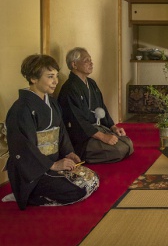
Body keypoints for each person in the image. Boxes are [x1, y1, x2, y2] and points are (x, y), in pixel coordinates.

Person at [3, 54, 99, 210]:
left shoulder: (52, 103)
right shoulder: (21, 109)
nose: (56, 81)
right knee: (79, 189)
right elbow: (23, 148)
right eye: (50, 77)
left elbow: (61, 132)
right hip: (33, 171)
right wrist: (52, 165)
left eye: (56, 76)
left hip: (53, 163)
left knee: (91, 179)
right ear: (33, 78)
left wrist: (68, 153)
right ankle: (26, 195)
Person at [58, 47, 133, 163]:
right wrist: (103, 137)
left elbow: (101, 107)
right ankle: (83, 155)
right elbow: (77, 121)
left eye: (91, 60)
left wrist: (113, 127)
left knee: (128, 143)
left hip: (97, 129)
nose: (91, 63)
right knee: (119, 150)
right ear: (74, 64)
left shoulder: (91, 83)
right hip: (83, 138)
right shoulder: (69, 89)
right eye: (86, 60)